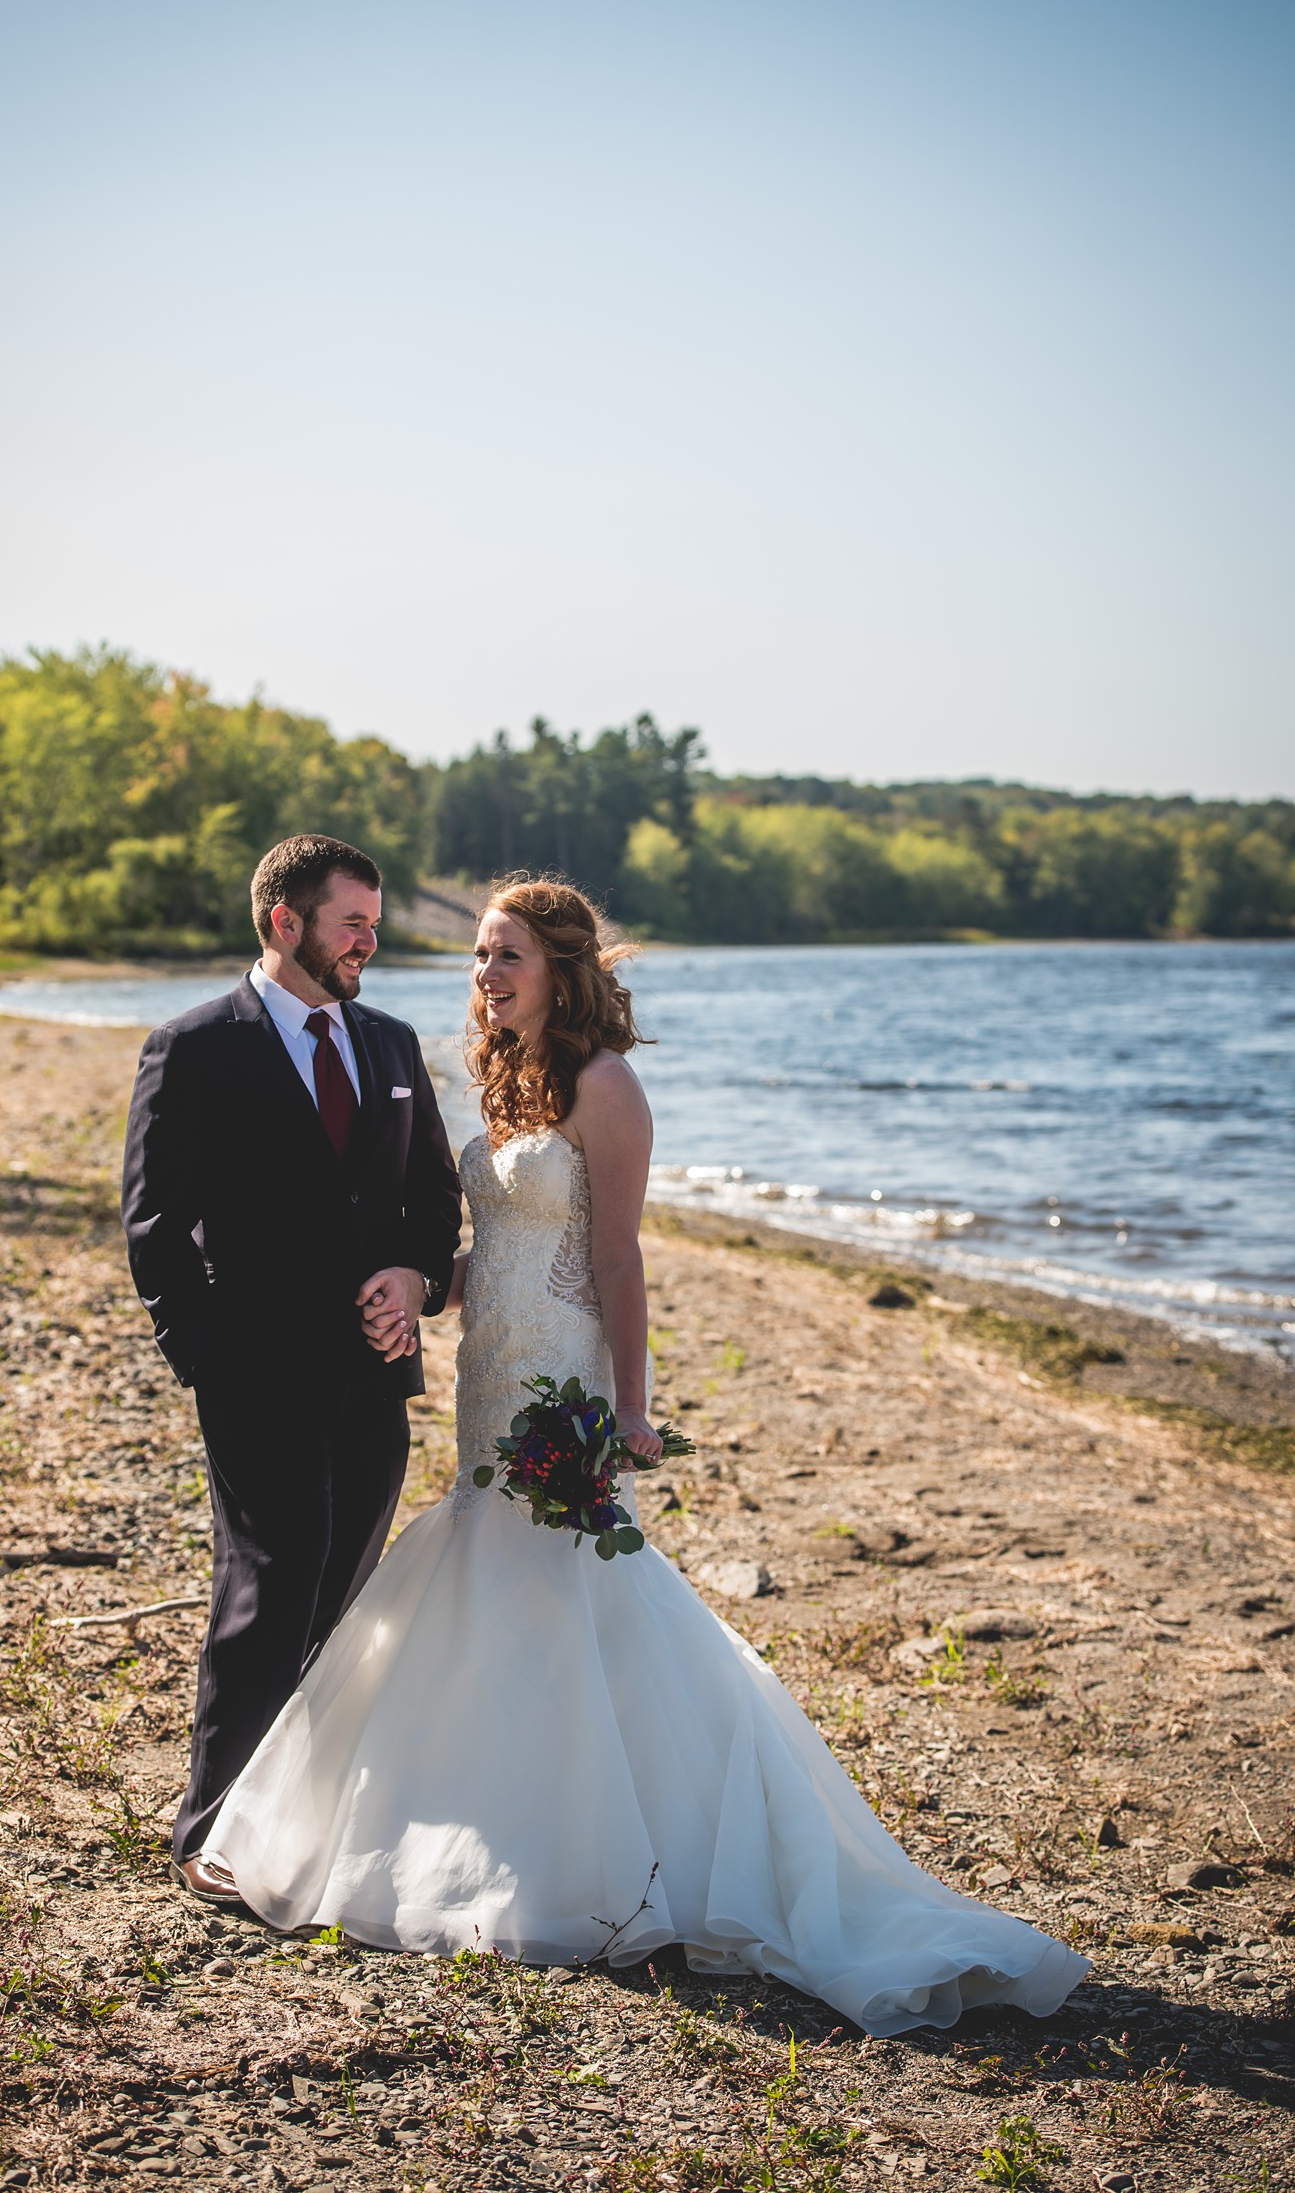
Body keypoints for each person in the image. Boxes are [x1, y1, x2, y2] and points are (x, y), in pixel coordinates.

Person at [203, 878, 1086, 2034]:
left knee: (573, 1595)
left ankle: (595, 1853)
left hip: (562, 1385)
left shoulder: (610, 1087)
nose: (485, 975)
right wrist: (423, 1284)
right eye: (476, 957)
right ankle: (489, 1828)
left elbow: (616, 1262)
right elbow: (499, 1254)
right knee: (481, 1593)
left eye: (506, 955)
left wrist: (630, 1407)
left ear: (564, 967)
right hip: (488, 1383)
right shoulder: (510, 1080)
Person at [120, 833, 462, 1903]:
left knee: (345, 1595)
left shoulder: (394, 1045)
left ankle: (309, 1822)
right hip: (253, 1375)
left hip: (374, 1373)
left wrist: (414, 1276)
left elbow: (432, 1201)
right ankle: (210, 1833)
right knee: (268, 1586)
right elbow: (155, 1223)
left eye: (373, 920)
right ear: (285, 923)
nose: (372, 939)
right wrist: (205, 1359)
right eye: (352, 921)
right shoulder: (194, 1047)